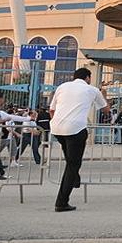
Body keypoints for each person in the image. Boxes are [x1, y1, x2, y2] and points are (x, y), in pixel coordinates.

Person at [49, 67, 110, 212]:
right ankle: (61, 202)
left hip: (57, 128)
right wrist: (104, 94)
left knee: (70, 161)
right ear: (88, 78)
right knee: (73, 165)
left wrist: (58, 124)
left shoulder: (62, 87)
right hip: (76, 129)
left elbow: (52, 110)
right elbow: (106, 109)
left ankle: (74, 179)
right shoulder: (92, 90)